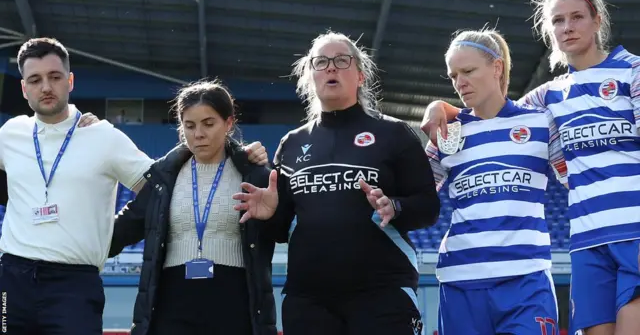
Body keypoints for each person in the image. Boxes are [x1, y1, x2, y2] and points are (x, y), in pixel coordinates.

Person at [0, 37, 268, 335]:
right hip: (12, 279)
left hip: (74, 282)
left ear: (70, 81)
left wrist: (243, 154)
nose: (46, 87)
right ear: (24, 88)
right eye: (35, 80)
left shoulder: (103, 137)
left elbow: (158, 186)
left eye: (54, 77)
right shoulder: (10, 133)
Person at [421, 0, 640, 335]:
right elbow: (499, 118)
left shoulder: (632, 71)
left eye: (576, 17)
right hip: (586, 239)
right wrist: (441, 107)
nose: (566, 27)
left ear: (597, 19)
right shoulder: (547, 98)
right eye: (557, 20)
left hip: (633, 227)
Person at [233, 30, 441, 335]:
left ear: (360, 75)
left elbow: (429, 207)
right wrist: (269, 215)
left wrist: (394, 206)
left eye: (341, 60)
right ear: (310, 76)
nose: (331, 67)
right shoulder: (291, 143)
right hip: (308, 300)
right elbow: (281, 229)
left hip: (383, 293)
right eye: (321, 62)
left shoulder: (394, 134)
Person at [107, 80, 277, 335]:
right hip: (172, 302)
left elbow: (279, 230)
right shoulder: (162, 179)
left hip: (234, 302)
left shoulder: (254, 175)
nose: (199, 133)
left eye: (209, 124)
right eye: (190, 125)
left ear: (229, 123)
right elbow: (118, 232)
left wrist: (274, 215)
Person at [427, 28, 565, 335]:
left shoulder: (540, 122)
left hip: (526, 278)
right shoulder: (448, 131)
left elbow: (575, 178)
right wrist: (391, 201)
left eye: (468, 71)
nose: (460, 82)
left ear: (497, 67)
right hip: (460, 281)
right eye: (453, 76)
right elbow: (420, 196)